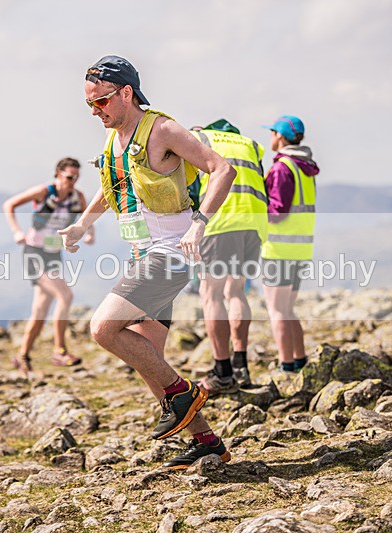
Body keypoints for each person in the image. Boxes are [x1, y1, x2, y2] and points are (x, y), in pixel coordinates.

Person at [59, 55, 237, 469]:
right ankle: (207, 440)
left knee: (103, 328)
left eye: (101, 102)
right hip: (144, 254)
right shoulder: (115, 140)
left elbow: (221, 169)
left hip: (171, 254)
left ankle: (186, 392)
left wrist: (200, 224)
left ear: (126, 92)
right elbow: (114, 184)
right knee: (148, 359)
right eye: (89, 105)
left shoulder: (162, 130)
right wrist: (83, 225)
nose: (95, 112)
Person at [191, 119, 268, 394]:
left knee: (210, 294)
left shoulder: (200, 139)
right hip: (255, 223)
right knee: (236, 291)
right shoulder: (250, 144)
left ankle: (222, 371)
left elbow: (189, 187)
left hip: (220, 222)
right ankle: (240, 366)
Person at [2, 157, 94, 374]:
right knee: (65, 296)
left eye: (76, 178)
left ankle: (23, 356)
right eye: (70, 177)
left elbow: (86, 219)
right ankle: (60, 351)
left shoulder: (77, 197)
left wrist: (89, 233)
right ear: (58, 174)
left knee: (40, 311)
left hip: (53, 253)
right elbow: (9, 205)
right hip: (34, 252)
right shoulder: (44, 191)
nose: (73, 182)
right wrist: (16, 231)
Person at [260, 116, 319, 372]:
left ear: (280, 136)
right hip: (300, 248)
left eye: (272, 133)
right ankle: (299, 359)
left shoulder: (283, 167)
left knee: (276, 310)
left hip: (278, 249)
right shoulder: (305, 167)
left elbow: (278, 211)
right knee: (288, 308)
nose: (270, 137)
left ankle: (286, 367)